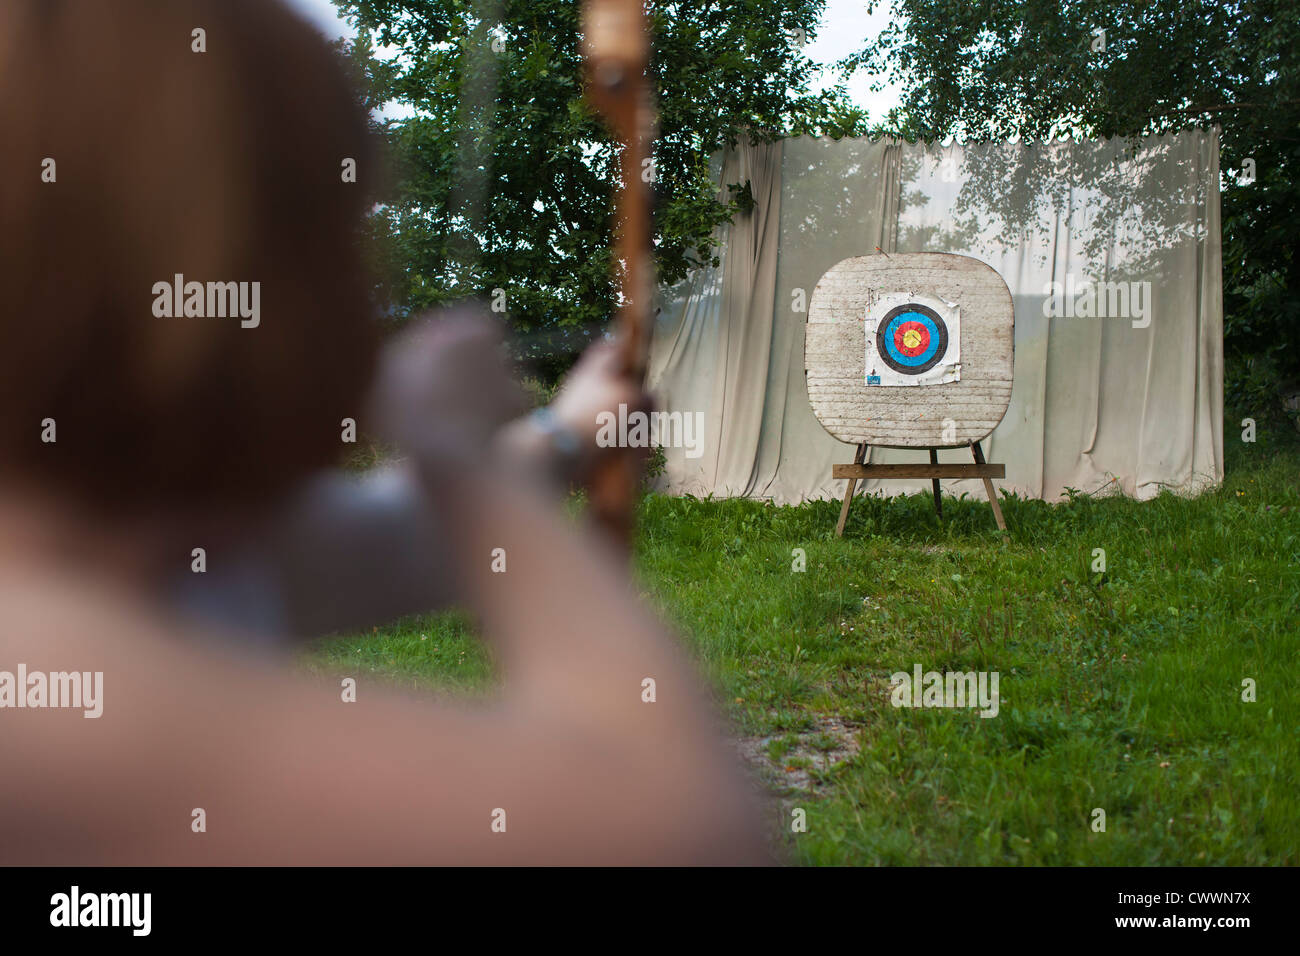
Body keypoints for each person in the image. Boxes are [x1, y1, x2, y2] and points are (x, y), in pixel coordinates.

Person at [0, 0, 766, 865]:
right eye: (337, 231)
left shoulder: (161, 545)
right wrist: (455, 458)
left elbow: (393, 539)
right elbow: (683, 830)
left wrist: (560, 438)